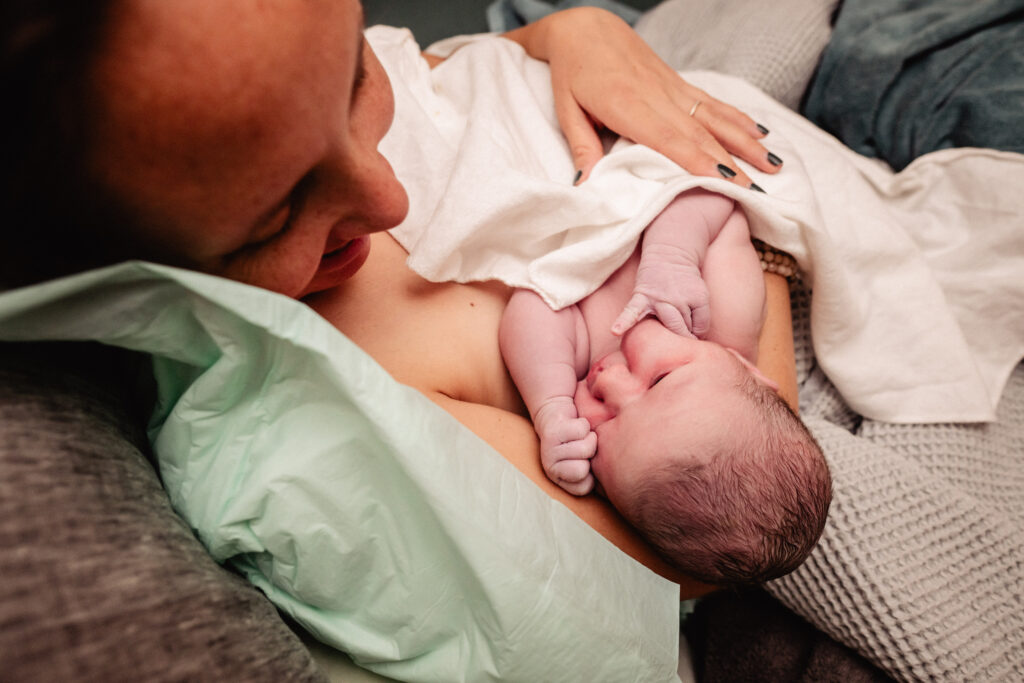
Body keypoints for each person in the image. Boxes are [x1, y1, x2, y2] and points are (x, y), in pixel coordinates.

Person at [1, 0, 793, 590]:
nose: (391, 201)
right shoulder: (347, 392)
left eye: (352, 77)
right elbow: (712, 532)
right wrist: (750, 252)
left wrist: (560, 35)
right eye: (274, 219)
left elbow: (449, 72)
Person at [499, 187, 830, 585]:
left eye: (603, 428)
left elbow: (537, 301)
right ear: (746, 369)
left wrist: (550, 406)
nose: (610, 383)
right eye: (660, 380)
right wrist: (673, 255)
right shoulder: (724, 317)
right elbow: (716, 198)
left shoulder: (583, 369)